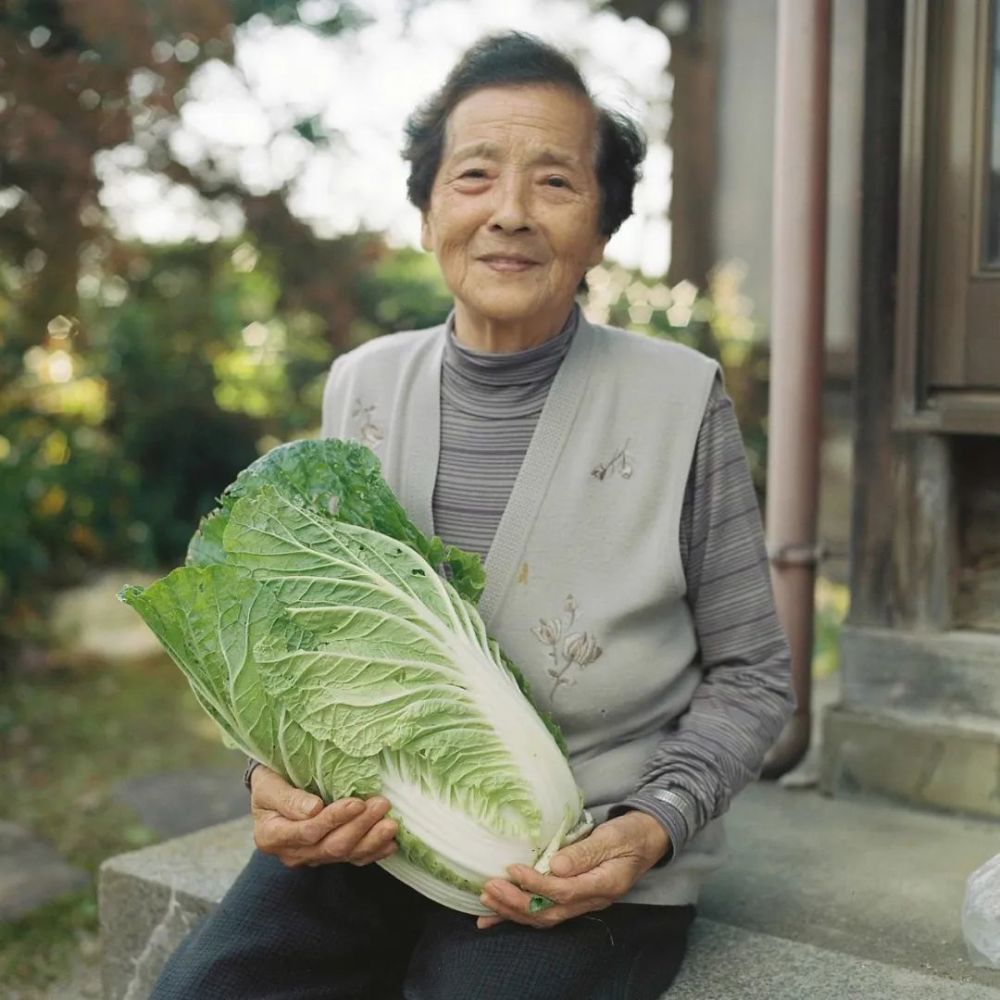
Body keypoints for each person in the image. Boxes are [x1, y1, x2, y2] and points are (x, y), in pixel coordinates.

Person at [153, 30, 793, 1000]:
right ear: (425, 212)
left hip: (573, 857)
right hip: (368, 834)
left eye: (554, 182)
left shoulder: (677, 397)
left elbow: (752, 675)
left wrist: (653, 822)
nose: (508, 214)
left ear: (604, 226)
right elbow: (297, 641)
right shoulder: (362, 386)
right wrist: (268, 779)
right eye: (474, 176)